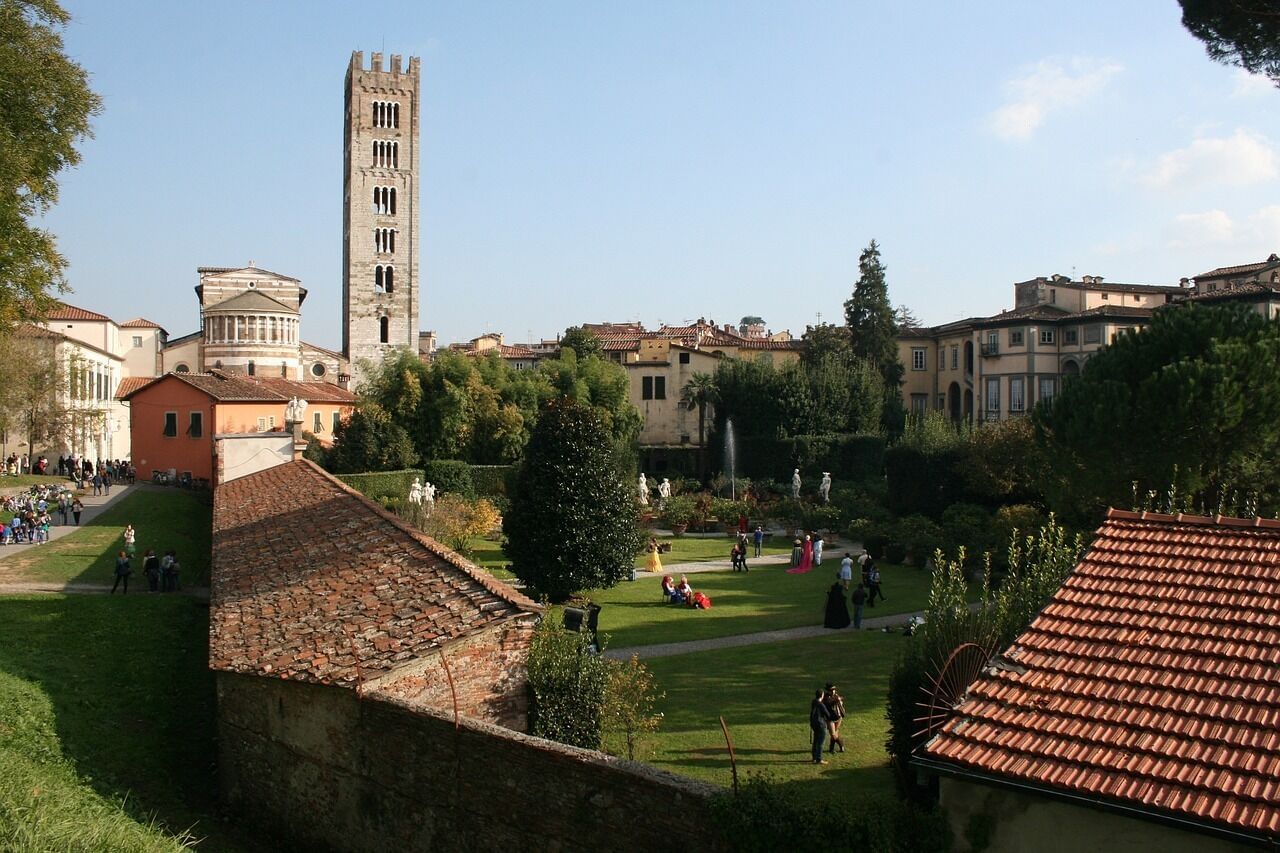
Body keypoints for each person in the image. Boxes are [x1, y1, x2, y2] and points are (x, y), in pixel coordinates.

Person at [809, 689, 831, 764]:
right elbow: (828, 715)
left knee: (815, 741)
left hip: (814, 724)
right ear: (822, 695)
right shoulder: (821, 705)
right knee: (821, 743)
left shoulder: (814, 702)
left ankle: (814, 757)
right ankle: (819, 759)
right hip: (821, 725)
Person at [823, 683, 846, 753]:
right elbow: (829, 703)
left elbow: (840, 700)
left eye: (834, 689)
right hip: (830, 719)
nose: (833, 691)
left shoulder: (836, 695)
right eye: (831, 690)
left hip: (838, 717)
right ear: (828, 690)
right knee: (833, 734)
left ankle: (831, 748)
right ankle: (841, 745)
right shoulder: (825, 697)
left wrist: (840, 700)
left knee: (835, 733)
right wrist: (838, 700)